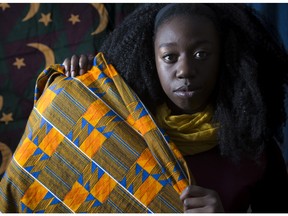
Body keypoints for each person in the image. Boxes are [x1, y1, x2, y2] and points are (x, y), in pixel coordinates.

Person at [0, 3, 288, 213]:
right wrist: (80, 89)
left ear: (226, 57)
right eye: (169, 57)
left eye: (201, 54)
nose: (185, 70)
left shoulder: (257, 150)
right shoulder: (116, 123)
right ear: (150, 60)